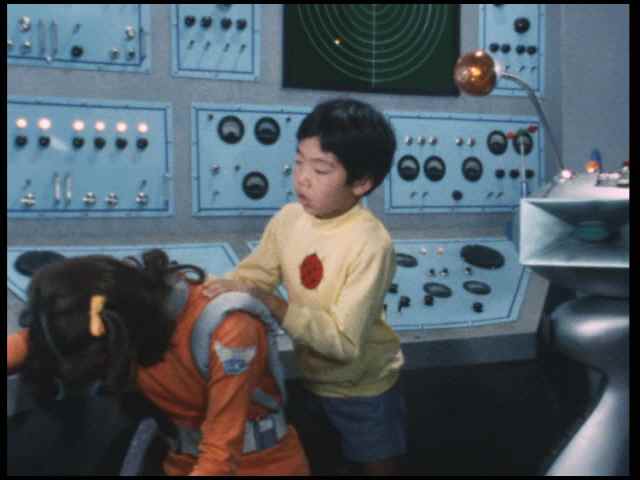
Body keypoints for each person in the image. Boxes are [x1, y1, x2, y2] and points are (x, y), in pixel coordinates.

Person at [204, 98, 407, 475]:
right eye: (299, 162)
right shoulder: (289, 219)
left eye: (321, 169)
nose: (302, 178)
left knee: (377, 465)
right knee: (319, 461)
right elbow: (252, 277)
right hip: (310, 378)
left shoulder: (370, 243)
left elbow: (343, 343)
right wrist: (204, 294)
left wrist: (274, 304)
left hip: (364, 389)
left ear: (362, 182)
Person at [7, 249, 310, 476]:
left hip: (257, 468)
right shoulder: (120, 305)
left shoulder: (229, 328)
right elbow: (35, 339)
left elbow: (220, 456)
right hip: (182, 464)